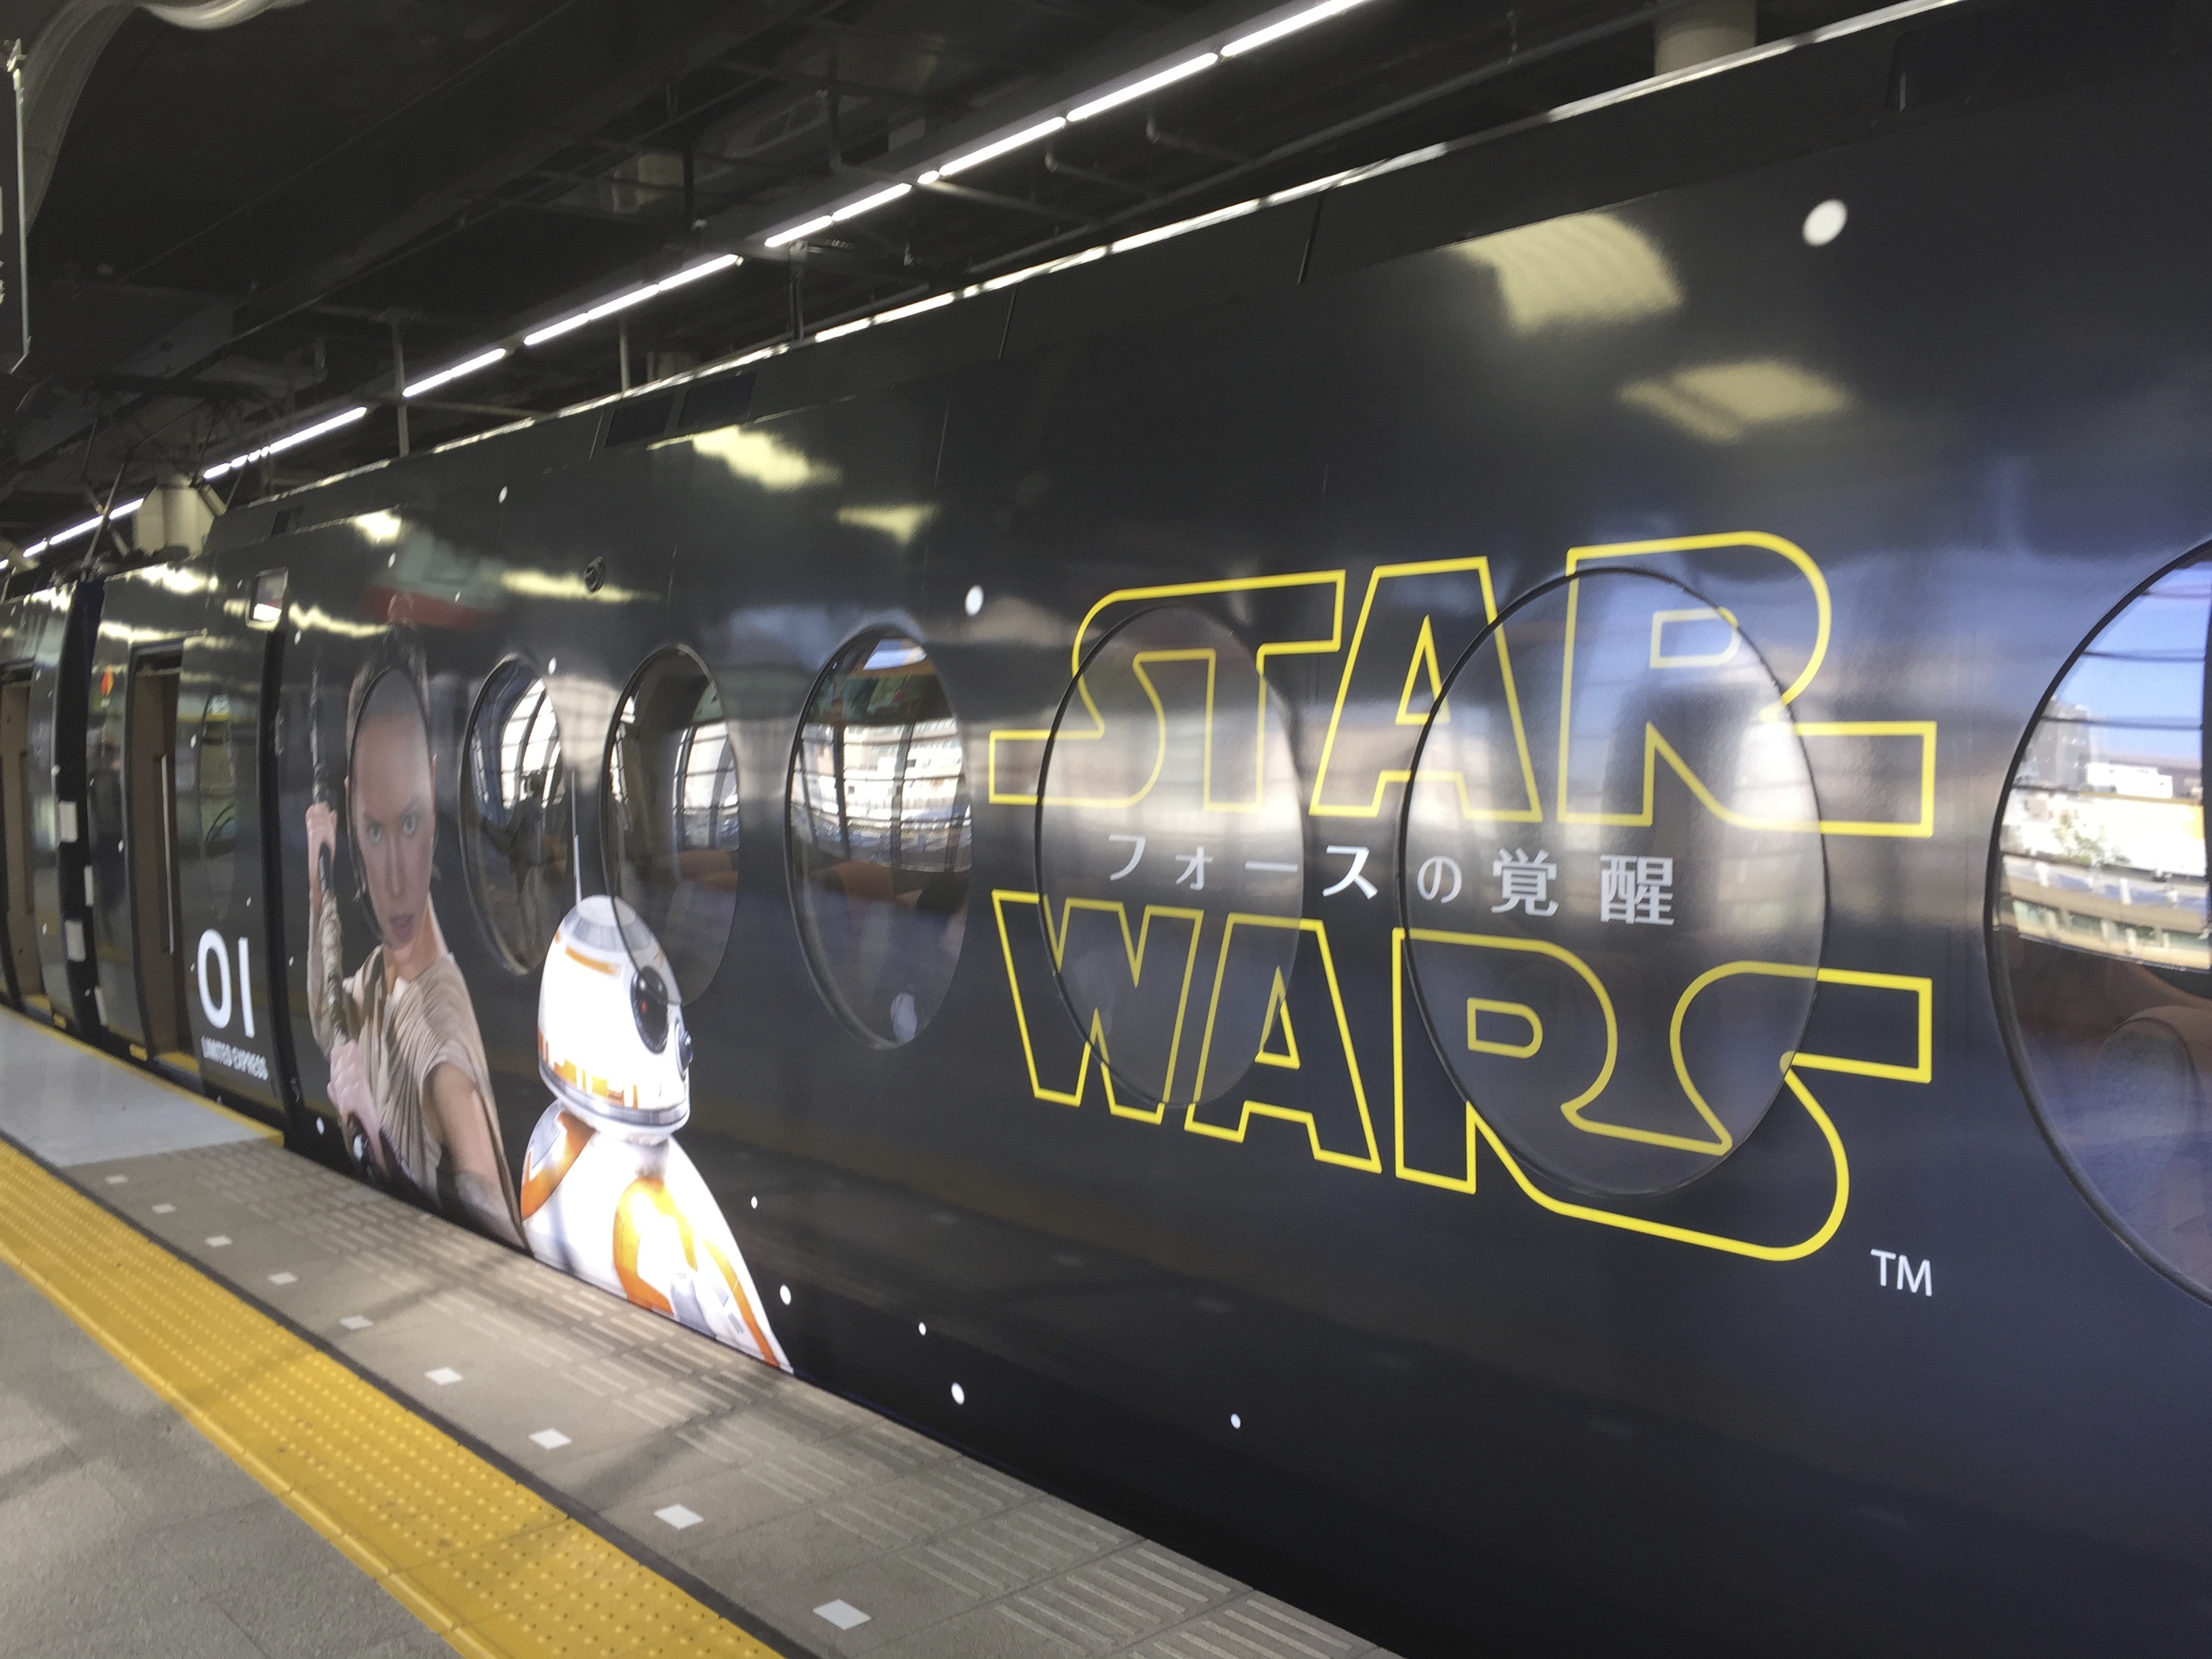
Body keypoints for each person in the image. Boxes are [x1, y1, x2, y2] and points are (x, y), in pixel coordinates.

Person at [306, 647, 524, 1247]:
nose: (398, 880)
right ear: (351, 813)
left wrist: (375, 1140)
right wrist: (318, 890)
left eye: (410, 822)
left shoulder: (443, 1057)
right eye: (374, 831)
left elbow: (500, 1241)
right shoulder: (382, 977)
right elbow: (328, 1022)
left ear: (433, 785)